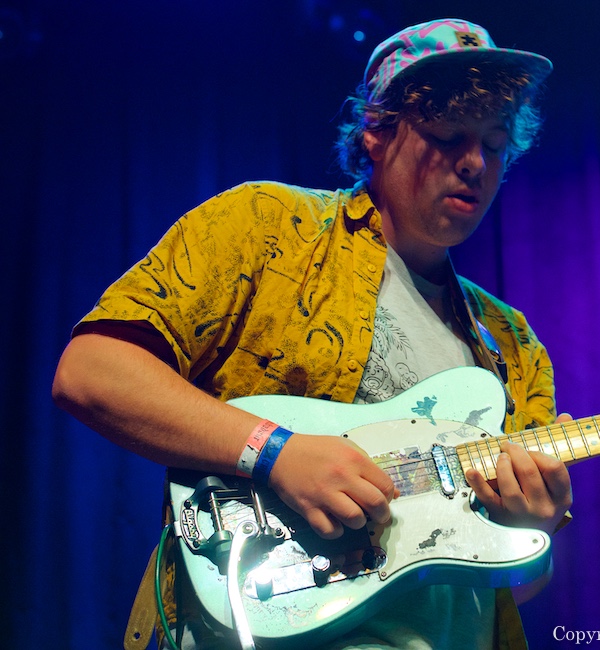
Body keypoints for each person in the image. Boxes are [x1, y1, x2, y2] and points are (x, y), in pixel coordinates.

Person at [52, 18, 572, 649]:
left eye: (494, 143)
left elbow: (517, 586)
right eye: (448, 135)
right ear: (377, 131)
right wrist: (275, 452)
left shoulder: (511, 343)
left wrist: (533, 526)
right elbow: (91, 372)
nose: (474, 163)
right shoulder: (267, 228)